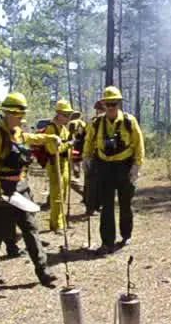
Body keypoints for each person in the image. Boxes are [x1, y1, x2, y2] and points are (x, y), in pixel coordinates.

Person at [0, 92, 61, 286]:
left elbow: (34, 138)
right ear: (7, 114)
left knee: (30, 228)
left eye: (23, 114)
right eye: (18, 115)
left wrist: (51, 138)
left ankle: (44, 273)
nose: (22, 119)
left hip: (21, 188)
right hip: (1, 188)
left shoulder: (20, 134)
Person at [84, 86, 145, 254]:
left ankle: (126, 234)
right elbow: (89, 143)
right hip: (104, 167)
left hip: (124, 167)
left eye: (114, 103)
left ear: (119, 104)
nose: (111, 107)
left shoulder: (129, 121)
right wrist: (87, 160)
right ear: (103, 105)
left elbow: (139, 144)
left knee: (126, 203)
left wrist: (136, 166)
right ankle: (107, 242)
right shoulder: (96, 123)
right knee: (106, 206)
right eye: (108, 104)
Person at [41, 99, 80, 231]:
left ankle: (61, 222)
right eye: (66, 114)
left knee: (63, 195)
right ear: (58, 114)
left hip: (64, 165)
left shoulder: (64, 128)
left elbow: (67, 145)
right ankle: (55, 225)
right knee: (56, 196)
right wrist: (69, 144)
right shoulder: (51, 129)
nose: (68, 117)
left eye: (69, 115)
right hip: (54, 166)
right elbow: (53, 150)